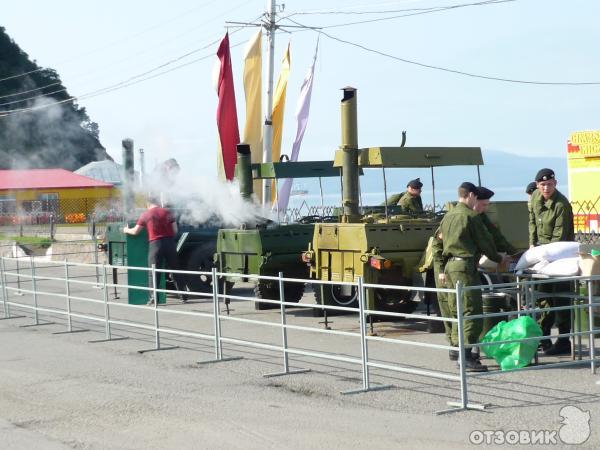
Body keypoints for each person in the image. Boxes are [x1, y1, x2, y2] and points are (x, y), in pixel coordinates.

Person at [439, 182, 508, 372]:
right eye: (476, 197)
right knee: (472, 311)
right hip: (465, 267)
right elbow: (484, 242)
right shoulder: (470, 217)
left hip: (451, 266)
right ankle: (467, 357)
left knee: (457, 310)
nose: (477, 201)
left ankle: (458, 350)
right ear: (470, 195)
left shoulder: (448, 215)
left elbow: (439, 241)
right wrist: (499, 258)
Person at [528, 168, 575, 355]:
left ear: (555, 183)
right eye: (542, 184)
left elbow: (559, 236)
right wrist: (532, 245)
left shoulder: (561, 205)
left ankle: (564, 341)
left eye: (549, 184)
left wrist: (543, 254)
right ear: (538, 185)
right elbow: (532, 223)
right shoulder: (536, 199)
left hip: (560, 255)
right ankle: (543, 337)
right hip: (541, 256)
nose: (546, 188)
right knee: (542, 298)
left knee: (561, 298)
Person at [123, 197, 189, 305]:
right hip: (169, 244)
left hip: (155, 244)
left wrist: (126, 230)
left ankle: (154, 298)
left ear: (148, 204)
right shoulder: (168, 212)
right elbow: (175, 230)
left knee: (153, 272)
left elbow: (135, 231)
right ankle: (184, 296)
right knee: (175, 270)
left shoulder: (146, 214)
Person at [474, 187, 518, 256]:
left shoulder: (481, 215)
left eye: (488, 205)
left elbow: (496, 235)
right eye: (484, 205)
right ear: (474, 201)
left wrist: (513, 253)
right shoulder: (467, 217)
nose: (486, 208)